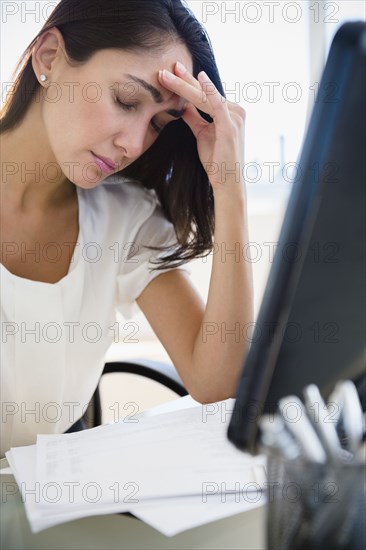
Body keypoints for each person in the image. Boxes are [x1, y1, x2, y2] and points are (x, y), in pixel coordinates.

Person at [0, 0, 252, 457]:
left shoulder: (126, 217)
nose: (134, 144)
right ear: (49, 57)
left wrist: (230, 190)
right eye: (126, 100)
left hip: (42, 506)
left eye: (158, 123)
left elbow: (219, 383)